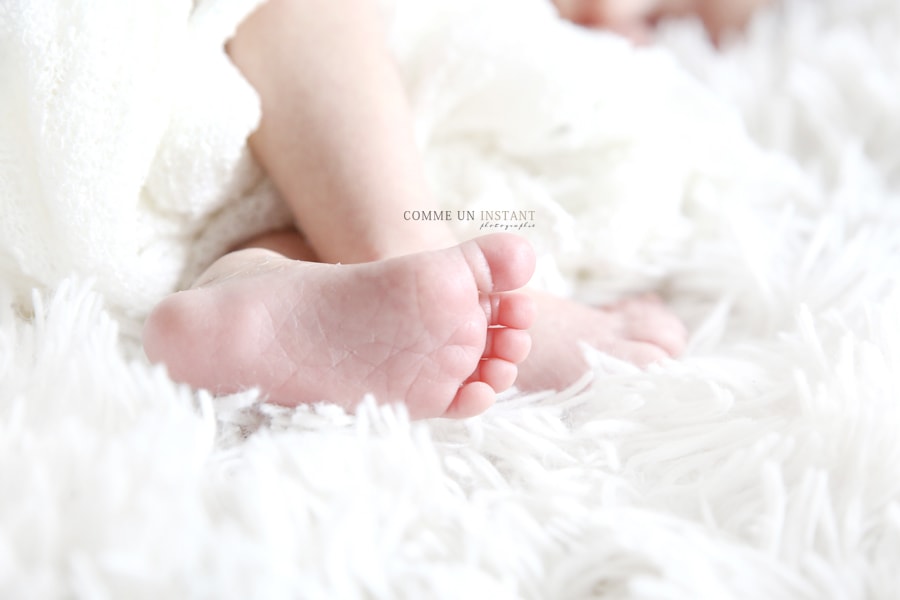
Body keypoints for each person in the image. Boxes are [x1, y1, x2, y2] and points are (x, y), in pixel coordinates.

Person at [143, 0, 767, 419]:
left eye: (661, 19)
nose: (627, 25)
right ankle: (430, 268)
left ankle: (244, 292)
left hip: (252, 158)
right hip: (245, 50)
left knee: (325, 253)